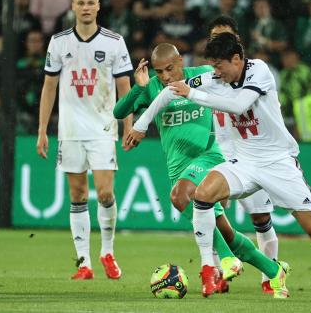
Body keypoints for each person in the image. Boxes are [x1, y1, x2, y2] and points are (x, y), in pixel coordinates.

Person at [129, 32, 311, 304]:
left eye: (220, 66)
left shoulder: (260, 71)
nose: (215, 72)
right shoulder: (214, 77)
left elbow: (238, 104)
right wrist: (140, 125)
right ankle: (209, 266)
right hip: (243, 163)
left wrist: (194, 93)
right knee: (202, 194)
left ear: (237, 59)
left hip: (278, 162)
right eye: (213, 66)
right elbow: (168, 92)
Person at [115, 43, 290, 299]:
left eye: (169, 69)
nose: (165, 76)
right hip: (178, 167)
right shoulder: (152, 87)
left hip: (210, 155)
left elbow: (233, 99)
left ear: (181, 63)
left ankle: (226, 261)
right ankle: (274, 270)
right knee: (225, 233)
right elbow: (119, 112)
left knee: (179, 196)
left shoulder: (203, 75)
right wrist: (139, 87)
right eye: (159, 71)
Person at [36, 0, 133, 280]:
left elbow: (125, 88)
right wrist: (42, 129)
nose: (86, 7)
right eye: (81, 3)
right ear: (73, 7)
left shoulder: (114, 42)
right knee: (77, 195)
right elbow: (49, 86)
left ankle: (107, 251)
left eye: (91, 2)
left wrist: (130, 125)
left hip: (103, 128)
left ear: (99, 6)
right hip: (70, 131)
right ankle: (84, 263)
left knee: (105, 193)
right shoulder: (59, 42)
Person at [208, 15, 280, 294]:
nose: (219, 42)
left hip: (252, 153)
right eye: (214, 37)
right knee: (212, 211)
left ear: (237, 41)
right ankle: (218, 273)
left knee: (261, 219)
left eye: (224, 36)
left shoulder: (255, 72)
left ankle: (269, 274)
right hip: (219, 151)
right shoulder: (210, 73)